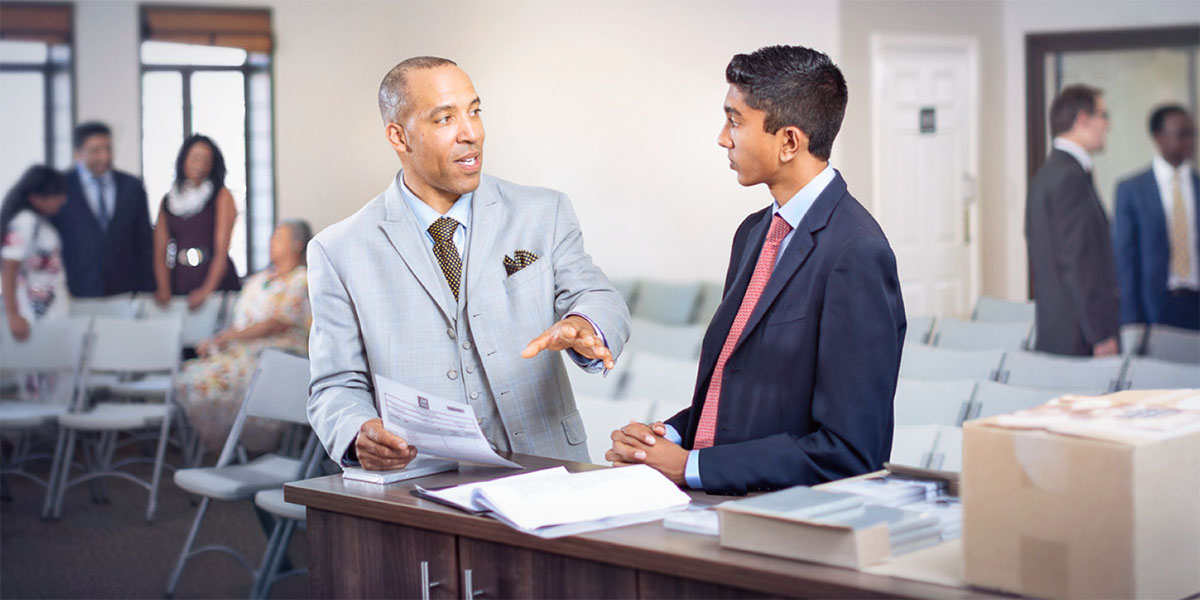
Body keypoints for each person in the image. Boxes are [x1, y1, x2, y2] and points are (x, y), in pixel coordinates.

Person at [606, 46, 906, 495]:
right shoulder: (754, 233)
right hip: (723, 503)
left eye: (735, 120)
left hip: (789, 524)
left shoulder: (857, 252)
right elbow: (742, 393)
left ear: (788, 141)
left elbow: (849, 450)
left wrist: (691, 467)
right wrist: (666, 438)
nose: (723, 138)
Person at [307, 56, 630, 471]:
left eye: (475, 112)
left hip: (548, 468)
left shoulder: (543, 212)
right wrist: (357, 430)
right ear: (399, 137)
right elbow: (335, 384)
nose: (471, 133)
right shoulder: (337, 250)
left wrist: (586, 322)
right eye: (444, 119)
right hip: (419, 483)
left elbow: (596, 293)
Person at [175, 220, 313, 456]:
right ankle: (230, 446)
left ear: (297, 244)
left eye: (279, 237)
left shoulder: (303, 279)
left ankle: (247, 445)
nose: (272, 243)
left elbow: (277, 322)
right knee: (187, 377)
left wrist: (225, 338)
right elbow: (239, 322)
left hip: (278, 357)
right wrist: (218, 342)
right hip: (242, 351)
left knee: (205, 382)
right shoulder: (259, 280)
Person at [1025, 85, 1120, 356]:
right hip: (1080, 337)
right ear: (1083, 119)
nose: (1108, 125)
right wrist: (1099, 333)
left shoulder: (1048, 173)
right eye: (1103, 115)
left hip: (1061, 330)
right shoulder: (1069, 178)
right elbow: (1078, 262)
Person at [1113, 104, 1199, 331]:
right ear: (1158, 137)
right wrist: (1130, 320)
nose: (1190, 141)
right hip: (1154, 307)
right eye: (1182, 134)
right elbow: (1126, 258)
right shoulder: (1131, 190)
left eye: (1193, 133)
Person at [52, 122, 154, 297]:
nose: (104, 156)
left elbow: (144, 242)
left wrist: (148, 290)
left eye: (108, 148)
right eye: (95, 150)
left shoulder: (132, 186)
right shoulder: (60, 187)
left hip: (125, 290)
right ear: (78, 152)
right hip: (76, 291)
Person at [153, 134, 241, 310]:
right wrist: (164, 288)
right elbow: (160, 252)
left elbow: (221, 251)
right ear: (183, 160)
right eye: (195, 158)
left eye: (207, 160)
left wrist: (206, 290)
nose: (200, 165)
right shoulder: (169, 201)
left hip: (213, 279)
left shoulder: (221, 196)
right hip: (181, 277)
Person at [2, 165, 69, 340]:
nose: (62, 200)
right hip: (33, 315)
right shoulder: (25, 222)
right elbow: (9, 270)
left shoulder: (40, 222)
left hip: (49, 311)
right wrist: (12, 314)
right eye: (56, 195)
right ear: (35, 198)